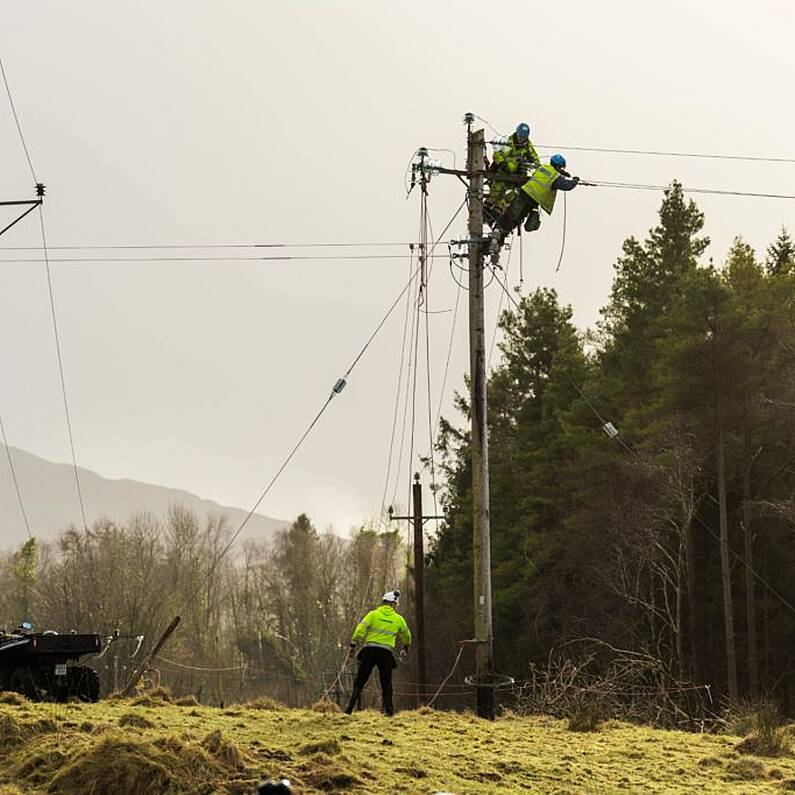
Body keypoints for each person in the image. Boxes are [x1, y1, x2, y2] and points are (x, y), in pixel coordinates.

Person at [490, 153, 580, 252]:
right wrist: (575, 180)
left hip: (523, 194)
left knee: (509, 215)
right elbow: (567, 186)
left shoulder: (542, 168)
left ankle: (497, 234)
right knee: (516, 219)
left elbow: (547, 175)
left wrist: (562, 174)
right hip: (532, 201)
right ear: (559, 167)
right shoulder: (556, 176)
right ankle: (499, 237)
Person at [344, 590, 411, 717]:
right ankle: (389, 711)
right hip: (385, 654)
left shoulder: (373, 615)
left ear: (383, 602)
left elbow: (360, 629)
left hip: (369, 651)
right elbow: (407, 636)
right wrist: (406, 647)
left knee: (360, 680)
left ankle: (349, 708)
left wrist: (353, 645)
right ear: (393, 604)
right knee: (386, 682)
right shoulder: (399, 619)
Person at [485, 122, 541, 223]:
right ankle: (486, 209)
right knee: (496, 192)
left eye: (523, 138)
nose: (521, 140)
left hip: (515, 176)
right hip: (502, 172)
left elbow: (535, 159)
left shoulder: (528, 146)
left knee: (509, 195)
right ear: (517, 134)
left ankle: (497, 213)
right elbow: (498, 154)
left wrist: (537, 169)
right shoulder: (509, 142)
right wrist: (502, 163)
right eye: (520, 137)